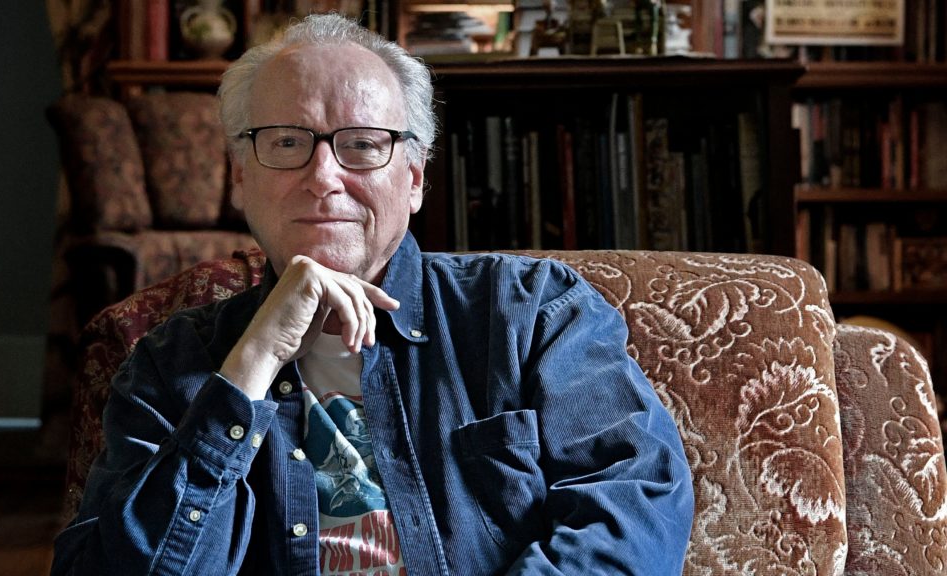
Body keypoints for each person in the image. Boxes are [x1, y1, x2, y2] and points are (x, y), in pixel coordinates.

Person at [51, 13, 693, 576]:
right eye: (286, 143)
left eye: (361, 145)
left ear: (413, 179)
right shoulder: (166, 365)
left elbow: (634, 506)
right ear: (241, 180)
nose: (323, 176)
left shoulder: (530, 314)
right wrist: (251, 365)